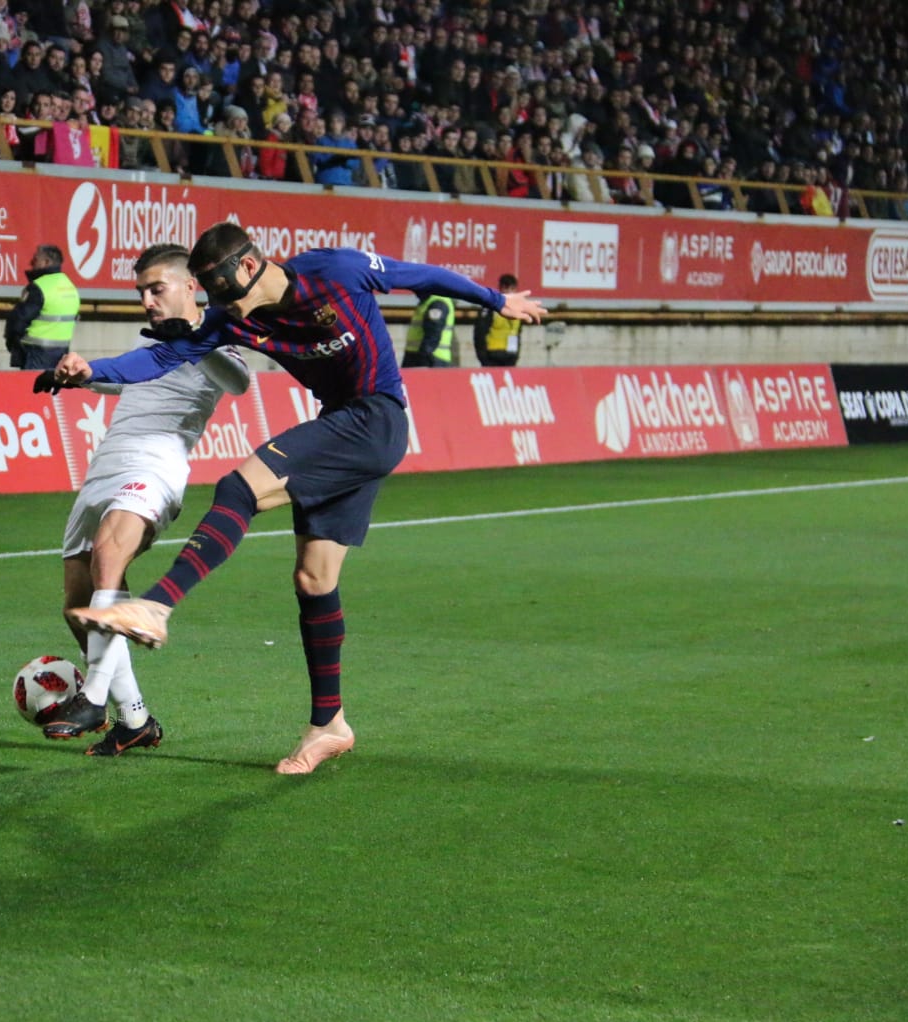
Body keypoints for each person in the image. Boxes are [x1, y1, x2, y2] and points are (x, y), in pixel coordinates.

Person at [57, 221, 545, 774]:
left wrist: (498, 299)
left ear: (247, 267)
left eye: (223, 293)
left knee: (239, 487)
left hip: (377, 416)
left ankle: (159, 603)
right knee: (314, 580)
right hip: (341, 423)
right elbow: (160, 360)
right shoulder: (229, 317)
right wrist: (91, 371)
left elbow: (423, 276)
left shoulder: (333, 270)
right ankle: (328, 725)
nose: (223, 308)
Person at [31, 244, 251, 753]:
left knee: (111, 555)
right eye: (142, 292)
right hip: (107, 465)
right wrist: (84, 375)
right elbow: (132, 379)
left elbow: (239, 381)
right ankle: (135, 720)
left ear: (189, 286)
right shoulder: (148, 336)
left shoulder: (217, 333)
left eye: (157, 289)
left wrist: (197, 340)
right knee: (78, 605)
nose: (148, 301)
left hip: (156, 466)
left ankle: (92, 696)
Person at [4, 244, 79, 371]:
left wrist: (12, 343)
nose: (31, 263)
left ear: (46, 262)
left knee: (32, 389)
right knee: (52, 390)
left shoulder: (39, 287)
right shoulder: (70, 286)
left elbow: (18, 320)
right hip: (61, 354)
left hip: (35, 354)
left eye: (35, 259)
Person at [473, 273, 523, 367]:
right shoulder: (491, 307)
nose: (509, 292)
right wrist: (484, 359)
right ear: (500, 289)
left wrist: (516, 355)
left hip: (510, 356)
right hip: (492, 355)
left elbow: (518, 334)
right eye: (506, 289)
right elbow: (479, 334)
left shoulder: (519, 309)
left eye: (512, 289)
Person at [401, 292, 455, 368]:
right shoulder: (427, 301)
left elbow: (433, 334)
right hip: (418, 357)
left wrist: (423, 359)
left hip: (431, 359)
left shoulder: (438, 303)